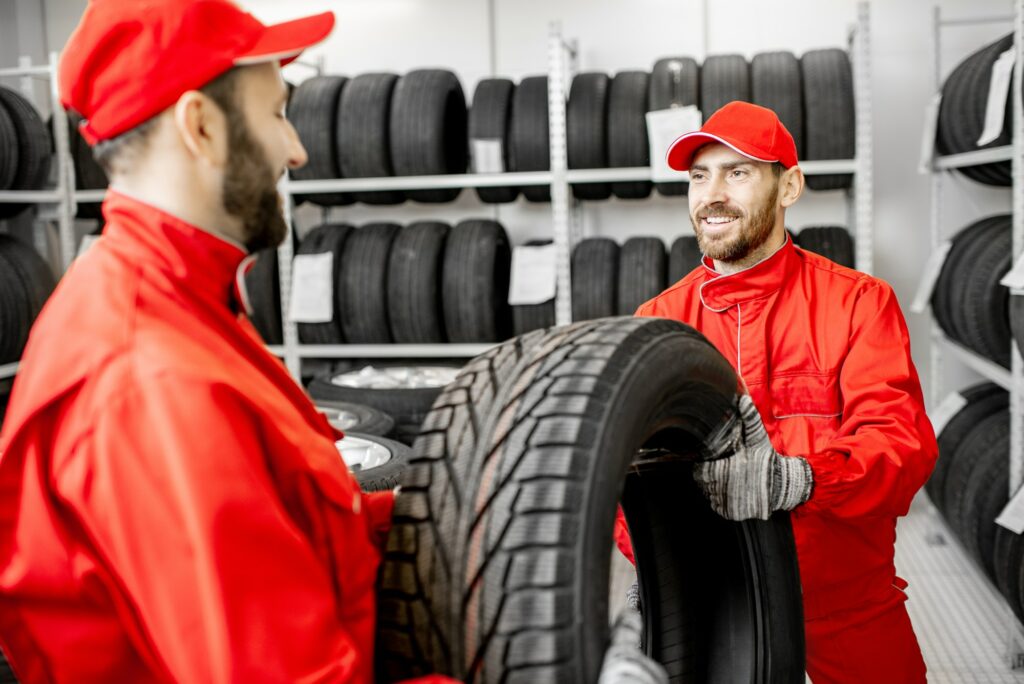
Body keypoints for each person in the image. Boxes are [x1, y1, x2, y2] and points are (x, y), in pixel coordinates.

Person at [0, 1, 443, 681]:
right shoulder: (148, 377)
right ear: (201, 126)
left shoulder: (187, 308)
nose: (295, 150)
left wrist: (455, 501)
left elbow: (291, 522)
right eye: (275, 113)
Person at [615, 101, 938, 683]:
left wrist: (802, 479)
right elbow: (624, 472)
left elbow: (901, 446)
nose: (712, 193)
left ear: (789, 186)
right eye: (698, 175)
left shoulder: (859, 304)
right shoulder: (659, 322)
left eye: (737, 173)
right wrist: (659, 558)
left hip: (846, 602)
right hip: (712, 604)